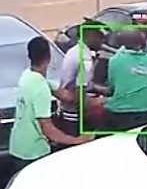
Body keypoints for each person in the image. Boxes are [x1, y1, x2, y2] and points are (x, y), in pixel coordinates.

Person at [9, 37, 92, 174]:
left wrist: (83, 92)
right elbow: (48, 129)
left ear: (29, 56)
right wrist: (77, 141)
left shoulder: (28, 76)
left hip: (18, 146)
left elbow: (64, 95)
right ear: (49, 56)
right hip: (33, 152)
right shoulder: (40, 88)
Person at [101, 29, 147, 131]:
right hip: (145, 111)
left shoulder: (114, 60)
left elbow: (112, 85)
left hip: (117, 110)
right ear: (142, 44)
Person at [55, 20, 106, 137]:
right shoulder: (85, 59)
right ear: (90, 36)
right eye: (100, 37)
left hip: (65, 111)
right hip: (75, 117)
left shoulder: (75, 51)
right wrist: (100, 102)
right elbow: (80, 96)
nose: (103, 41)